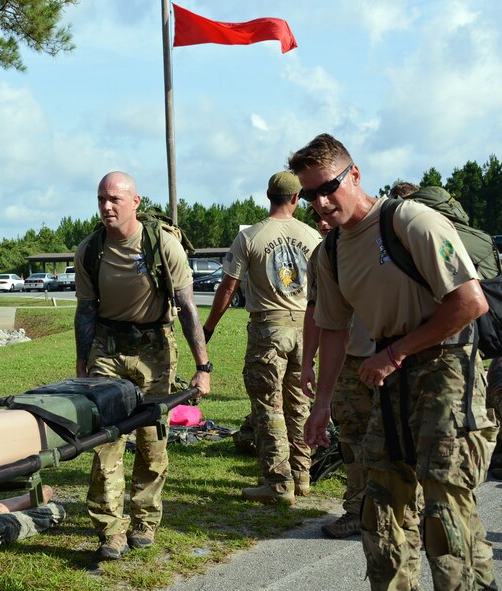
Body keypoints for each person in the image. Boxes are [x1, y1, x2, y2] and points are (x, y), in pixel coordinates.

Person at [290, 133, 498, 590]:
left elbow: (469, 302)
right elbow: (333, 329)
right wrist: (322, 404)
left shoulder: (409, 221)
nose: (321, 203)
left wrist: (396, 352)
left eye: (329, 187)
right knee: (380, 512)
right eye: (309, 194)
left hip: (443, 367)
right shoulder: (330, 252)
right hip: (387, 379)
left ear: (355, 174)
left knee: (446, 516)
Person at [74, 171, 211, 560]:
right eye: (101, 199)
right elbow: (85, 311)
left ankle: (145, 522)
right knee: (105, 442)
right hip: (107, 349)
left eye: (115, 199)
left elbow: (186, 307)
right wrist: (82, 361)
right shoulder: (89, 250)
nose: (106, 206)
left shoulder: (161, 245)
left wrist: (204, 367)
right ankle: (109, 530)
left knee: (152, 441)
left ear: (135, 201)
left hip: (155, 350)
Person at [203, 171, 321, 505]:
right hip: (305, 327)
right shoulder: (313, 237)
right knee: (299, 405)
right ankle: (301, 475)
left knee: (268, 405)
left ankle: (277, 482)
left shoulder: (251, 237)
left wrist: (209, 327)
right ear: (297, 199)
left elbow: (228, 287)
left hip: (268, 329)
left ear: (268, 195)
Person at [301, 207, 374, 538]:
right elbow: (317, 313)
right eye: (317, 217)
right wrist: (307, 362)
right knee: (351, 437)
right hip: (349, 359)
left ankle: (401, 510)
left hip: (399, 357)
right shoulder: (324, 253)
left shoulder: (380, 239)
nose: (324, 222)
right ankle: (357, 509)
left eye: (328, 215)